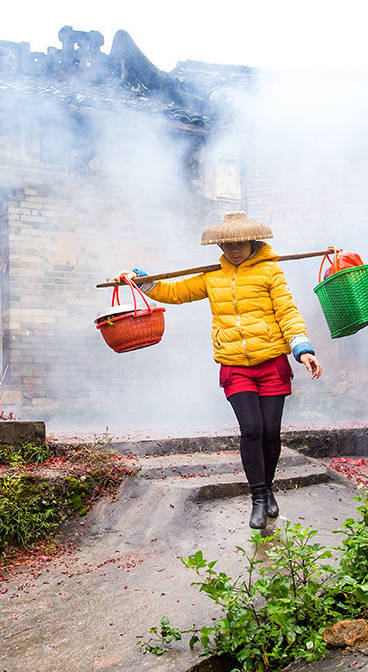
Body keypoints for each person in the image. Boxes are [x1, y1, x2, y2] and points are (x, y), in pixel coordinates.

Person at [114, 212, 321, 530]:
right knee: (251, 429)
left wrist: (302, 349)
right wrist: (140, 278)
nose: (232, 249)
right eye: (226, 243)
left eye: (238, 243)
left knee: (270, 433)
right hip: (235, 365)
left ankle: (267, 486)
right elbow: (176, 293)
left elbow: (287, 311)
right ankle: (258, 498)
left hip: (272, 363)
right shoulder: (212, 276)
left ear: (252, 241)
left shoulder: (270, 272)